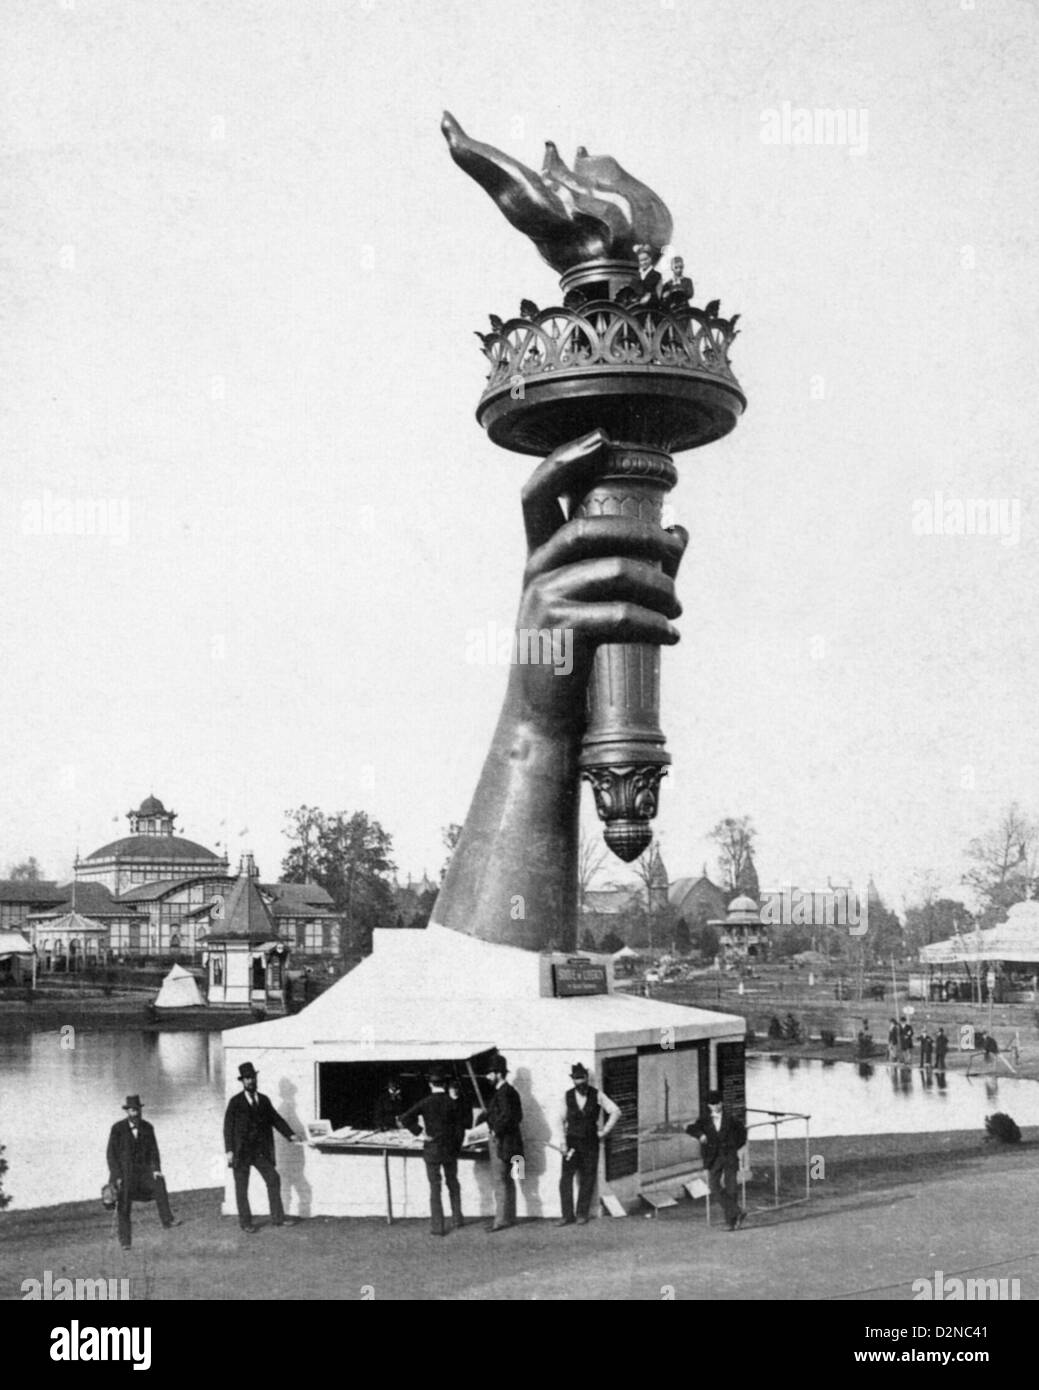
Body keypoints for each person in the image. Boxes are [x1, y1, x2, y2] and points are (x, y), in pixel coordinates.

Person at [223, 1061, 303, 1234]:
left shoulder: (264, 1100)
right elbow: (227, 1127)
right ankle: (246, 1223)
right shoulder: (235, 1102)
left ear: (256, 1078)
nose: (250, 1081)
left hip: (260, 1152)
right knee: (241, 1188)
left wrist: (291, 1135)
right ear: (242, 1081)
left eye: (252, 1077)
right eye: (247, 1079)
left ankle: (278, 1219)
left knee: (273, 1179)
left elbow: (276, 1120)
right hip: (240, 1152)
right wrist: (229, 1150)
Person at [106, 1094, 180, 1250]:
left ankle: (167, 1220)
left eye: (137, 1110)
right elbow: (110, 1155)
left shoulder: (148, 1127)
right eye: (132, 1111)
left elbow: (154, 1152)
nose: (135, 1114)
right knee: (124, 1207)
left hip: (143, 1177)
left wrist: (156, 1170)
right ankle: (125, 1241)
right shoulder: (117, 1129)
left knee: (159, 1182)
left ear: (141, 1110)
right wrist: (116, 1176)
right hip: (124, 1177)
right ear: (127, 1112)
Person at [398, 1069, 465, 1236]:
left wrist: (421, 1133)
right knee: (453, 1183)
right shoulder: (453, 1103)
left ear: (430, 1084)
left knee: (435, 1188)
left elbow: (404, 1118)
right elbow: (460, 1129)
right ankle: (457, 1219)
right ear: (445, 1084)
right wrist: (457, 1146)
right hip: (450, 1150)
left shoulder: (425, 1102)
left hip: (432, 1150)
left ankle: (438, 1226)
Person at [556, 1063, 621, 1226]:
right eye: (576, 1078)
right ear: (572, 1080)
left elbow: (615, 1111)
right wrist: (562, 1142)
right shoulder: (567, 1096)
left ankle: (582, 1214)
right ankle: (566, 1215)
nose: (580, 1082)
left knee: (588, 1177)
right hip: (571, 1142)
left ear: (587, 1078)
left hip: (590, 1142)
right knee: (565, 1179)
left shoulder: (597, 1094)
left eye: (582, 1078)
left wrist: (604, 1131)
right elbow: (558, 1119)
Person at [685, 1090, 748, 1232]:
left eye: (717, 1104)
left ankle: (731, 1223)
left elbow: (742, 1135)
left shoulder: (731, 1119)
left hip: (729, 1157)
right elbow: (690, 1129)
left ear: (722, 1103)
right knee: (714, 1186)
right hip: (714, 1158)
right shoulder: (704, 1120)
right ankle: (737, 1211)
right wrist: (700, 1135)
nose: (715, 1107)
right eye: (712, 1105)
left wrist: (732, 1147)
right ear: (708, 1106)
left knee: (731, 1188)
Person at [477, 1054, 524, 1232]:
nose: (487, 1077)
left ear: (498, 1073)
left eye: (489, 1073)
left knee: (500, 1180)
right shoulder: (511, 1092)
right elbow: (517, 1116)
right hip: (513, 1143)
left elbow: (506, 1116)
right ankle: (509, 1216)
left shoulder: (503, 1093)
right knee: (510, 1179)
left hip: (501, 1142)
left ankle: (501, 1220)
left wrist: (495, 1130)